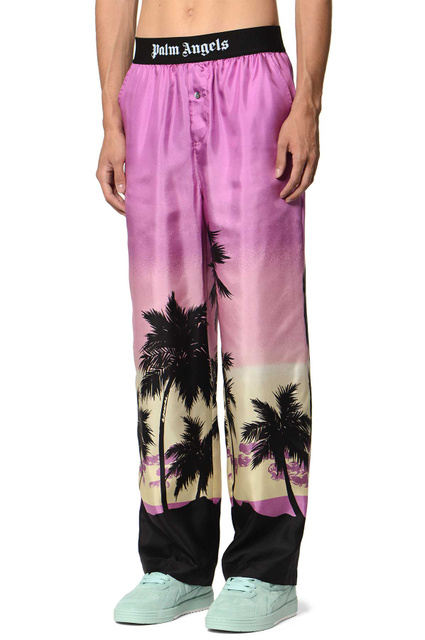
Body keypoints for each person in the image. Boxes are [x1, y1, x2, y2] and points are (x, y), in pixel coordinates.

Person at [95, 0, 331, 631]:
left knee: (263, 326)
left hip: (251, 72)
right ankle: (177, 565)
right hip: (151, 82)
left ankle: (265, 570)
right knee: (164, 332)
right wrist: (111, 115)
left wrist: (307, 102)